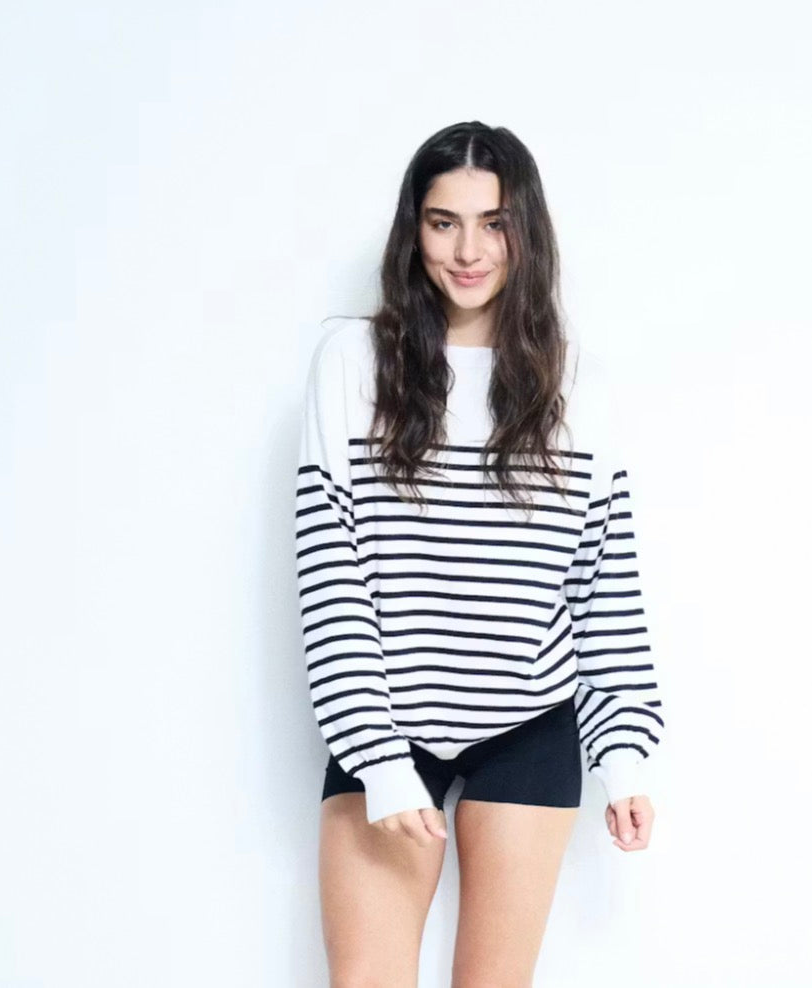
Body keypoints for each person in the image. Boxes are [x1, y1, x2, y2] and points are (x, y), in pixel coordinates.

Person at [294, 120, 665, 987]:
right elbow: (330, 572)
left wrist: (623, 757)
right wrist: (378, 760)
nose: (468, 251)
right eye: (443, 222)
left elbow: (601, 585)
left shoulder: (577, 385)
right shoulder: (352, 363)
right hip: (386, 717)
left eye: (493, 223)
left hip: (529, 723)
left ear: (524, 232)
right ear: (412, 230)